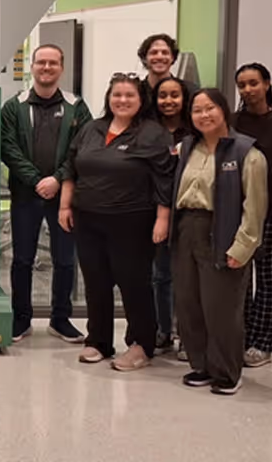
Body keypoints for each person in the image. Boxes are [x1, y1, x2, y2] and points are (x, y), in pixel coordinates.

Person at [59, 73, 173, 371]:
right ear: (109, 98)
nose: (122, 100)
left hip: (132, 221)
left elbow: (165, 178)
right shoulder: (91, 129)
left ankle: (141, 345)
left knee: (133, 283)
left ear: (140, 100)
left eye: (129, 95)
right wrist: (64, 206)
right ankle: (98, 341)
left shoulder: (152, 133)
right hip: (88, 219)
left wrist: (163, 219)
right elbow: (72, 168)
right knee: (95, 281)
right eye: (117, 95)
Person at [171, 88, 268, 395]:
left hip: (223, 231)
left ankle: (226, 372)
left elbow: (254, 208)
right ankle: (201, 365)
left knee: (222, 308)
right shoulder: (188, 148)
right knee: (189, 303)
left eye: (210, 108)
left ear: (224, 111)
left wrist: (242, 247)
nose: (204, 115)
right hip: (187, 228)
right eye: (197, 110)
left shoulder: (246, 153)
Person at [0, 44, 92, 343]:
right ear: (32, 66)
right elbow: (7, 147)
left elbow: (83, 148)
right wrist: (36, 180)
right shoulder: (14, 106)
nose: (47, 68)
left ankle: (60, 319)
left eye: (53, 63)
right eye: (41, 62)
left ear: (61, 68)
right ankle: (21, 319)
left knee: (65, 260)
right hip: (26, 195)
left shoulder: (77, 106)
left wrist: (58, 179)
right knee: (22, 259)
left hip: (64, 197)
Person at [234, 63, 272, 368]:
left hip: (271, 210)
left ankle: (263, 342)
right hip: (237, 209)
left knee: (264, 274)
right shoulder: (232, 122)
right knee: (240, 274)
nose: (247, 90)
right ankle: (242, 335)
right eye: (242, 84)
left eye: (253, 83)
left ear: (267, 84)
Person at [149, 77, 192, 353]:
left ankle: (186, 336)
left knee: (187, 278)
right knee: (160, 275)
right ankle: (162, 330)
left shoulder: (196, 131)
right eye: (162, 95)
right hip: (154, 212)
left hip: (189, 213)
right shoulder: (148, 132)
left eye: (174, 95)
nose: (168, 101)